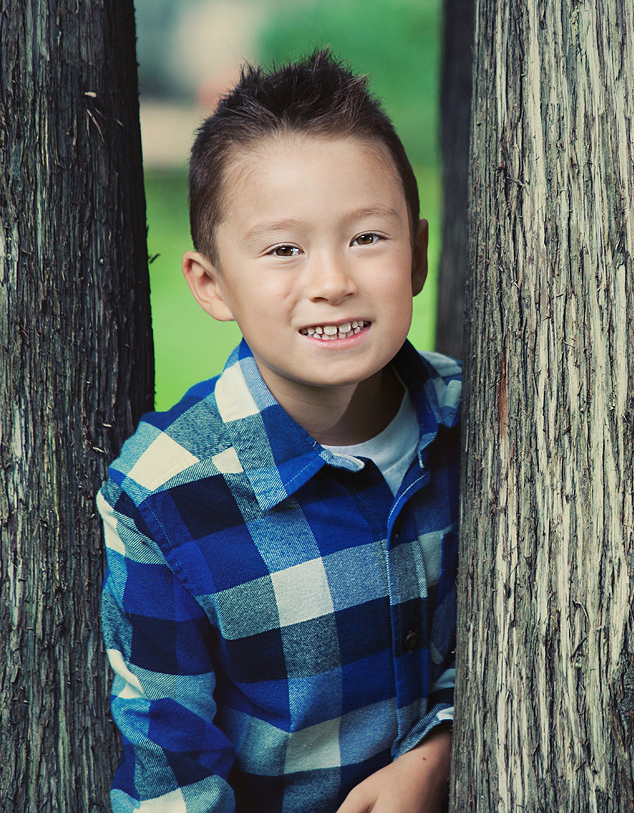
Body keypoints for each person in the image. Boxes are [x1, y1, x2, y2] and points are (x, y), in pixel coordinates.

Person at [98, 49, 459, 811]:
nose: (331, 281)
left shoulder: (473, 423)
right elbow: (173, 774)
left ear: (419, 253)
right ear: (212, 283)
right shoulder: (166, 494)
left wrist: (441, 749)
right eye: (284, 249)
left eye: (367, 237)